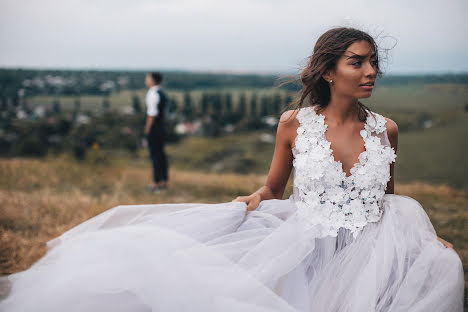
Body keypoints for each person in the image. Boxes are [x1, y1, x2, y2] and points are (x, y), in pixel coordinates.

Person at [0, 27, 464, 311]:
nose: (370, 72)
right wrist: (257, 199)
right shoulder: (293, 125)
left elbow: (388, 197)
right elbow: (273, 187)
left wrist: (422, 235)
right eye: (356, 62)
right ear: (328, 71)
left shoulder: (388, 130)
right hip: (307, 238)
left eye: (373, 63)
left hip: (371, 246)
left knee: (443, 268)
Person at [144, 71, 169, 192]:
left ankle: (156, 183)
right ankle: (164, 181)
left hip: (154, 128)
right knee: (161, 155)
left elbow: (152, 114)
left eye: (147, 78)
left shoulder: (152, 93)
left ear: (153, 80)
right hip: (162, 127)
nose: (146, 80)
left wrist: (147, 129)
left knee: (155, 156)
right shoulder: (162, 93)